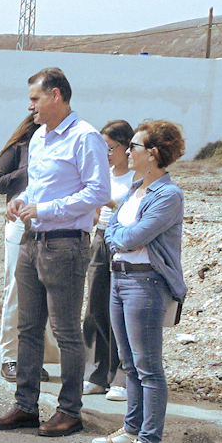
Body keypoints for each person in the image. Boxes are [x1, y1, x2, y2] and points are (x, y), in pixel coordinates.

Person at [0, 67, 110, 436]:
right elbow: (40, 186)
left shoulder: (85, 137)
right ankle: (25, 406)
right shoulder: (39, 137)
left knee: (66, 331)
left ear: (56, 95)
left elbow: (98, 192)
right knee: (28, 328)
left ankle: (69, 411)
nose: (31, 107)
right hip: (31, 241)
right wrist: (21, 200)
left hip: (66, 244)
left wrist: (46, 209)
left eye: (35, 98)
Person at [93, 120, 187, 443]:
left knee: (148, 367)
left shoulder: (168, 195)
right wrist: (120, 234)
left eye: (134, 146)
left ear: (154, 153)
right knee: (129, 363)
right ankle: (132, 429)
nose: (128, 151)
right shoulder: (135, 188)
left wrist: (118, 234)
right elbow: (113, 229)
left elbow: (129, 236)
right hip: (120, 278)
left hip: (146, 284)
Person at [0, 115, 56, 384]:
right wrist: (31, 170)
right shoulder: (18, 147)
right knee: (16, 289)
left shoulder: (63, 145)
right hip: (20, 222)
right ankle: (10, 357)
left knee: (45, 292)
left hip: (51, 221)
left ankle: (33, 357)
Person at [82, 120, 136, 401]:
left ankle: (122, 377)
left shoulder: (137, 178)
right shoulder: (103, 174)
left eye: (111, 148)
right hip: (100, 238)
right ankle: (97, 373)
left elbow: (134, 213)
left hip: (125, 241)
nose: (106, 154)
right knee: (95, 306)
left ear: (127, 146)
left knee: (122, 310)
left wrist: (110, 204)